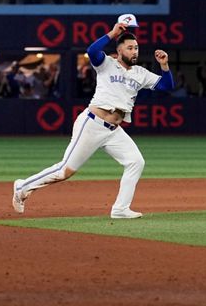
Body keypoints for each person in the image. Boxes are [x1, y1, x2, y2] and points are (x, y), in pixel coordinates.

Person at [12, 14, 173, 219]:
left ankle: (120, 209)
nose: (134, 51)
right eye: (130, 48)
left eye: (136, 48)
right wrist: (113, 33)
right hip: (92, 124)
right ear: (119, 50)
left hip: (114, 131)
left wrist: (164, 65)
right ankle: (22, 187)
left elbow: (167, 86)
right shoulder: (106, 63)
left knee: (135, 162)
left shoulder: (140, 73)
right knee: (64, 172)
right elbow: (92, 51)